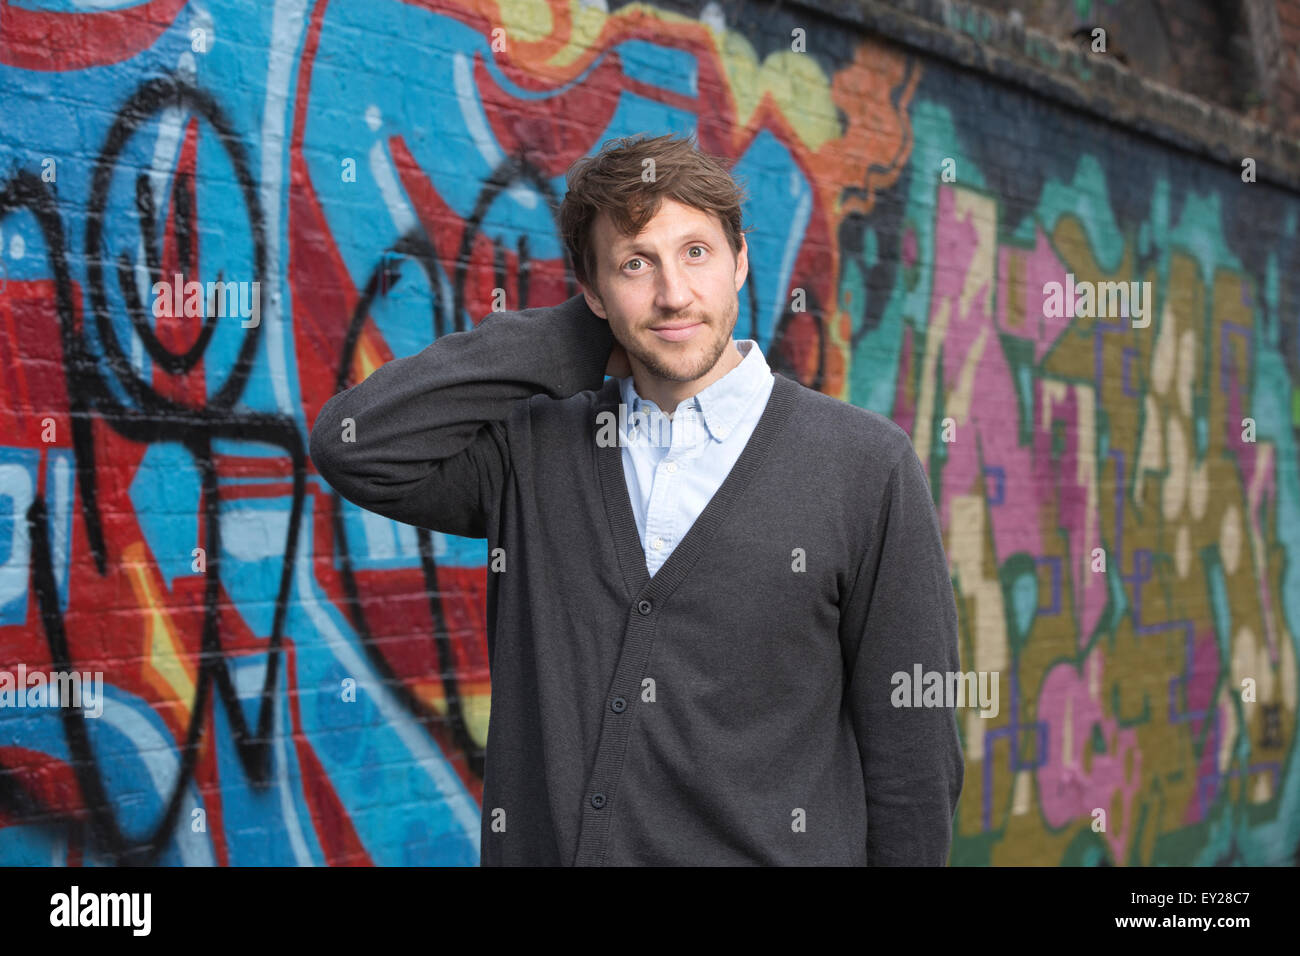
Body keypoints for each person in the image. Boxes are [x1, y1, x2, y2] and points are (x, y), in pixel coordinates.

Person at [309, 132, 964, 866]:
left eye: (696, 252)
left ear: (740, 261)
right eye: (634, 263)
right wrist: (577, 340)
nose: (674, 294)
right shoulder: (534, 451)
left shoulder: (864, 466)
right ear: (590, 290)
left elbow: (913, 761)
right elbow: (352, 443)